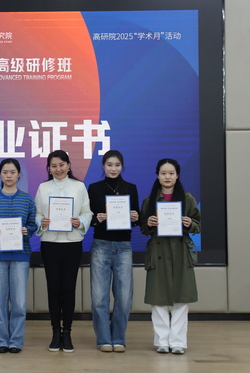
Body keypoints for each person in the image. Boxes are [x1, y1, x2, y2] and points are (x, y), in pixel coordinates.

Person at [34, 150, 92, 352]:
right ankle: (55, 332)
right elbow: (37, 213)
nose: (58, 169)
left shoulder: (79, 186)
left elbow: (87, 212)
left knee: (68, 288)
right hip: (50, 243)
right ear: (49, 169)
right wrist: (41, 222)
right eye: (53, 166)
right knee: (53, 289)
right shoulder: (43, 188)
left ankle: (67, 331)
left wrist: (80, 221)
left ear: (68, 165)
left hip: (72, 243)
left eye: (61, 165)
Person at [140, 158, 200, 355]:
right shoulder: (149, 200)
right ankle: (162, 342)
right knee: (158, 299)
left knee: (181, 299)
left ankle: (178, 342)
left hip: (181, 251)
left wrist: (189, 223)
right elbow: (143, 229)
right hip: (158, 252)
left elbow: (198, 225)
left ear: (177, 175)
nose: (167, 177)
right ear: (158, 176)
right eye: (163, 173)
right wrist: (149, 223)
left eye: (171, 173)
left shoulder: (188, 198)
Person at [0, 158, 37, 354]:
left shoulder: (27, 199)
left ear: (19, 174)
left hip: (21, 255)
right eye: (5, 172)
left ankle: (16, 341)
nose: (9, 175)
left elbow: (33, 223)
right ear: (0, 175)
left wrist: (27, 230)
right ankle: (0, 341)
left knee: (19, 302)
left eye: (13, 172)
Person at [87, 150, 140, 353]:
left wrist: (135, 217)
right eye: (109, 164)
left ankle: (118, 338)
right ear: (103, 166)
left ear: (122, 166)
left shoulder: (131, 188)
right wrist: (96, 219)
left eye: (117, 165)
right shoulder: (94, 188)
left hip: (124, 246)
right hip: (101, 244)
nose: (113, 168)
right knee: (99, 297)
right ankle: (103, 339)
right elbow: (88, 218)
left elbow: (136, 220)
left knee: (124, 297)